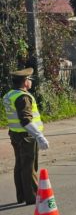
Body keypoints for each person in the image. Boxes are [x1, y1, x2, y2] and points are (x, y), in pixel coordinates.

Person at [3, 68, 50, 205]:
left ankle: (21, 195)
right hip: (26, 136)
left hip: (15, 134)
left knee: (20, 165)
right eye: (29, 79)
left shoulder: (10, 94)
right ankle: (32, 196)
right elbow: (26, 120)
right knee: (29, 166)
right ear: (25, 82)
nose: (30, 82)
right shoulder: (23, 97)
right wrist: (39, 136)